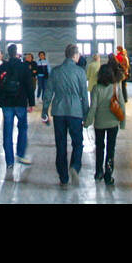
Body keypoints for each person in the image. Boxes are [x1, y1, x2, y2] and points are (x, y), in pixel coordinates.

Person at [42, 43, 90, 186]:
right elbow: (84, 96)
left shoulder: (56, 72)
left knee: (60, 144)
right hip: (75, 112)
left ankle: (63, 176)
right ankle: (75, 166)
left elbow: (48, 93)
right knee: (77, 142)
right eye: (78, 54)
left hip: (59, 112)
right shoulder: (80, 72)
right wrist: (86, 114)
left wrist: (45, 111)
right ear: (75, 55)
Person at [0, 43, 35, 172]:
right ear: (17, 53)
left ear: (7, 53)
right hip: (20, 102)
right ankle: (20, 154)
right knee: (22, 127)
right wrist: (31, 102)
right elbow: (29, 85)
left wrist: (0, 101)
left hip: (7, 103)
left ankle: (9, 162)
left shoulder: (2, 67)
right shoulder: (24, 67)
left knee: (7, 132)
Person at [85, 59, 125, 184]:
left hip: (99, 124)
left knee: (100, 147)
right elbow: (122, 105)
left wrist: (88, 122)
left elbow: (93, 107)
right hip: (113, 123)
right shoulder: (116, 87)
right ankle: (109, 174)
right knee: (111, 149)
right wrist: (122, 122)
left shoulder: (96, 89)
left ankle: (98, 172)